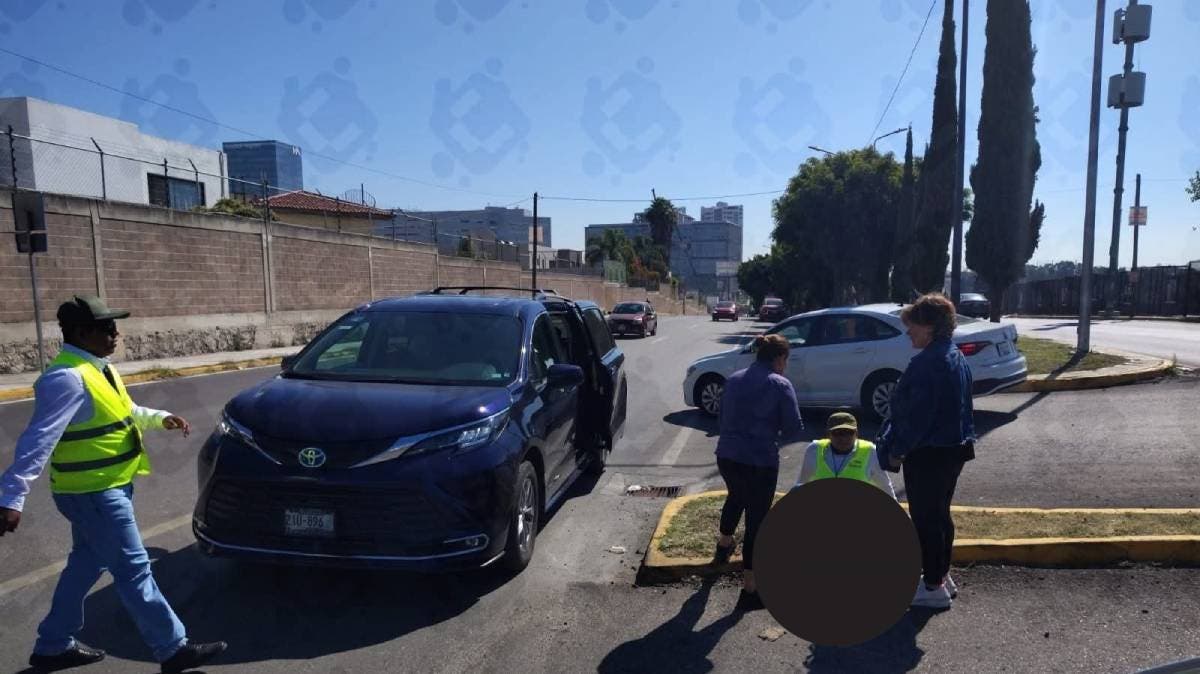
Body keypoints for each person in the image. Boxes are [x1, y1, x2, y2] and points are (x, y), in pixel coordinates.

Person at [0, 295, 227, 673]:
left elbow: (126, 412)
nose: (115, 333)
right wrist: (12, 495)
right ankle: (173, 649)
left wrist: (160, 417)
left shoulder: (98, 368)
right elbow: (37, 440)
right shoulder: (66, 378)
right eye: (107, 328)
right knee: (134, 568)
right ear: (81, 332)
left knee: (86, 565)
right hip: (93, 493)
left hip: (105, 487)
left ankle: (52, 645)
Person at [881, 293, 976, 610]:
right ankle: (940, 575)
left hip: (930, 452)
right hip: (953, 447)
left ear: (930, 327)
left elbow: (916, 417)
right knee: (939, 515)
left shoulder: (928, 364)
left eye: (913, 326)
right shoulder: (953, 355)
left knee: (926, 518)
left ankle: (933, 585)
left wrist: (897, 450)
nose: (908, 332)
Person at [712, 333, 804, 606]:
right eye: (786, 360)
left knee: (736, 496)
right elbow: (794, 427)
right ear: (779, 358)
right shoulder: (780, 384)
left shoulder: (734, 379)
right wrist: (774, 435)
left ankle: (724, 543)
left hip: (727, 456)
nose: (785, 365)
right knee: (758, 519)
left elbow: (721, 417)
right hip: (760, 460)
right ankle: (751, 586)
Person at [793, 412, 895, 499]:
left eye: (849, 433)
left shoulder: (870, 452)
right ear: (828, 435)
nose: (843, 438)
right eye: (837, 433)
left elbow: (885, 487)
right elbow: (801, 483)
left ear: (856, 434)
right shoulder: (814, 450)